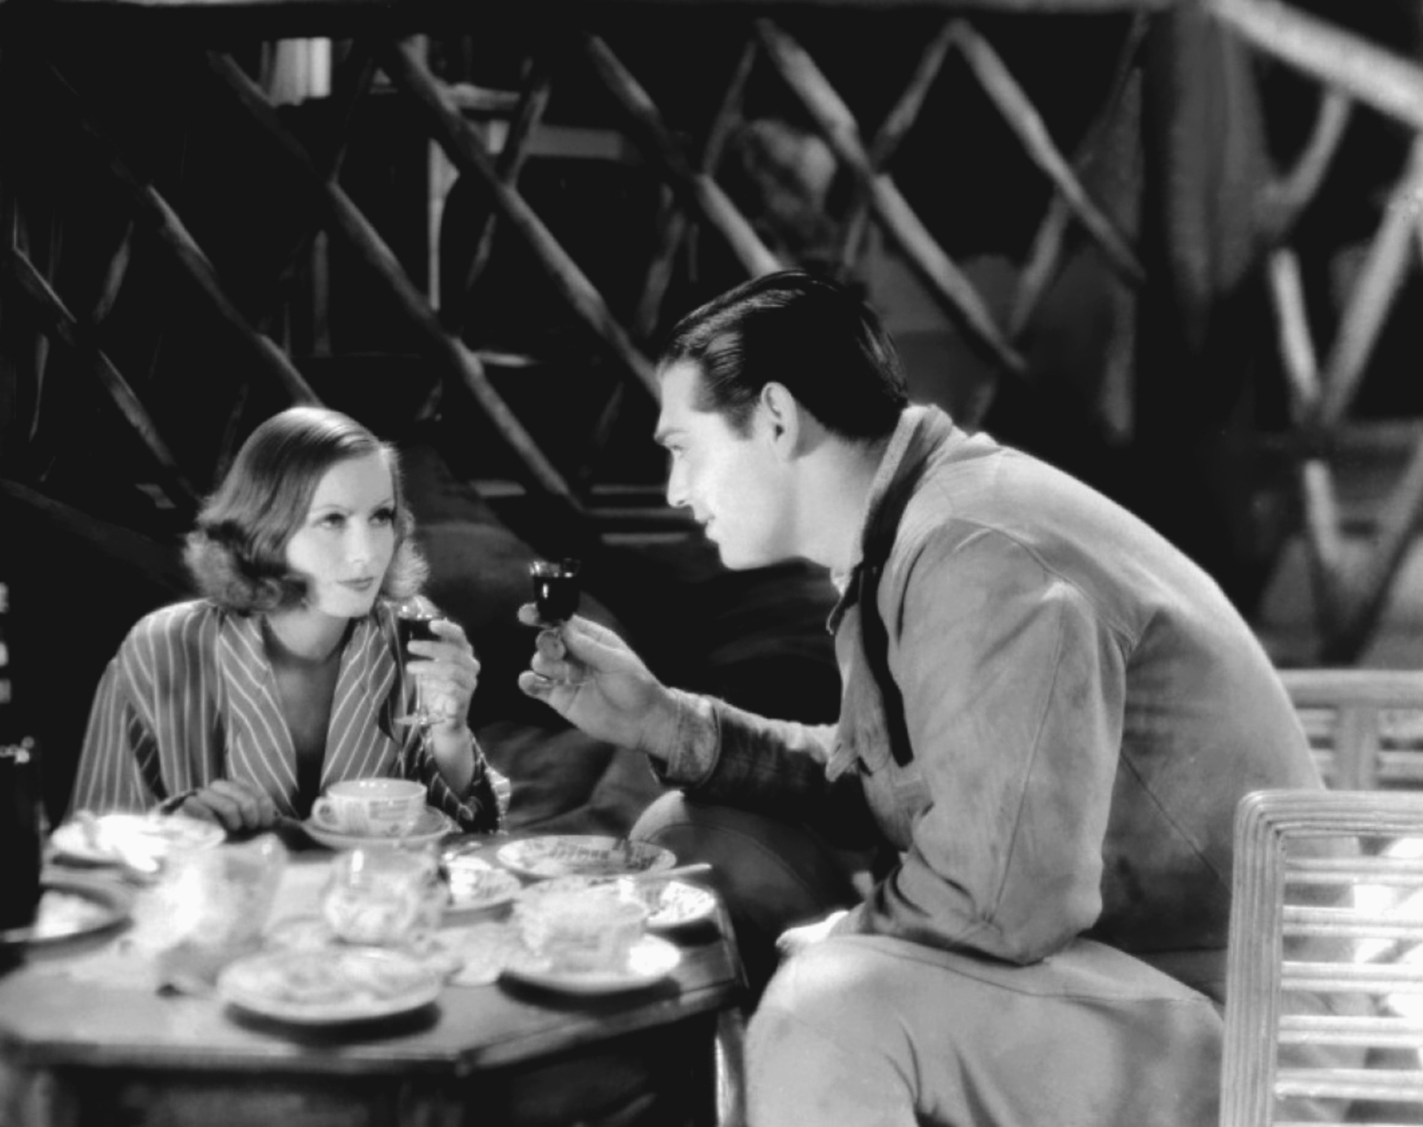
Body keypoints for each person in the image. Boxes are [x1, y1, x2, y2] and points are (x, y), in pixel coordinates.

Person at [518, 271, 1325, 1126]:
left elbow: (1003, 901)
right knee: (693, 838)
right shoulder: (916, 530)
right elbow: (900, 786)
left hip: (1244, 1024)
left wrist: (846, 939)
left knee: (827, 1013)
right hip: (1113, 978)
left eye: (684, 447)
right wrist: (665, 721)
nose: (675, 490)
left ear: (778, 418)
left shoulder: (982, 554)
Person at [71, 406, 508, 833]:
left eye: (380, 516)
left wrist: (451, 734)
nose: (366, 552)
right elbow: (88, 847)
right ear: (265, 531)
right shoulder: (160, 648)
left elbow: (463, 836)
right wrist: (177, 828)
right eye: (332, 520)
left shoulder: (411, 634)